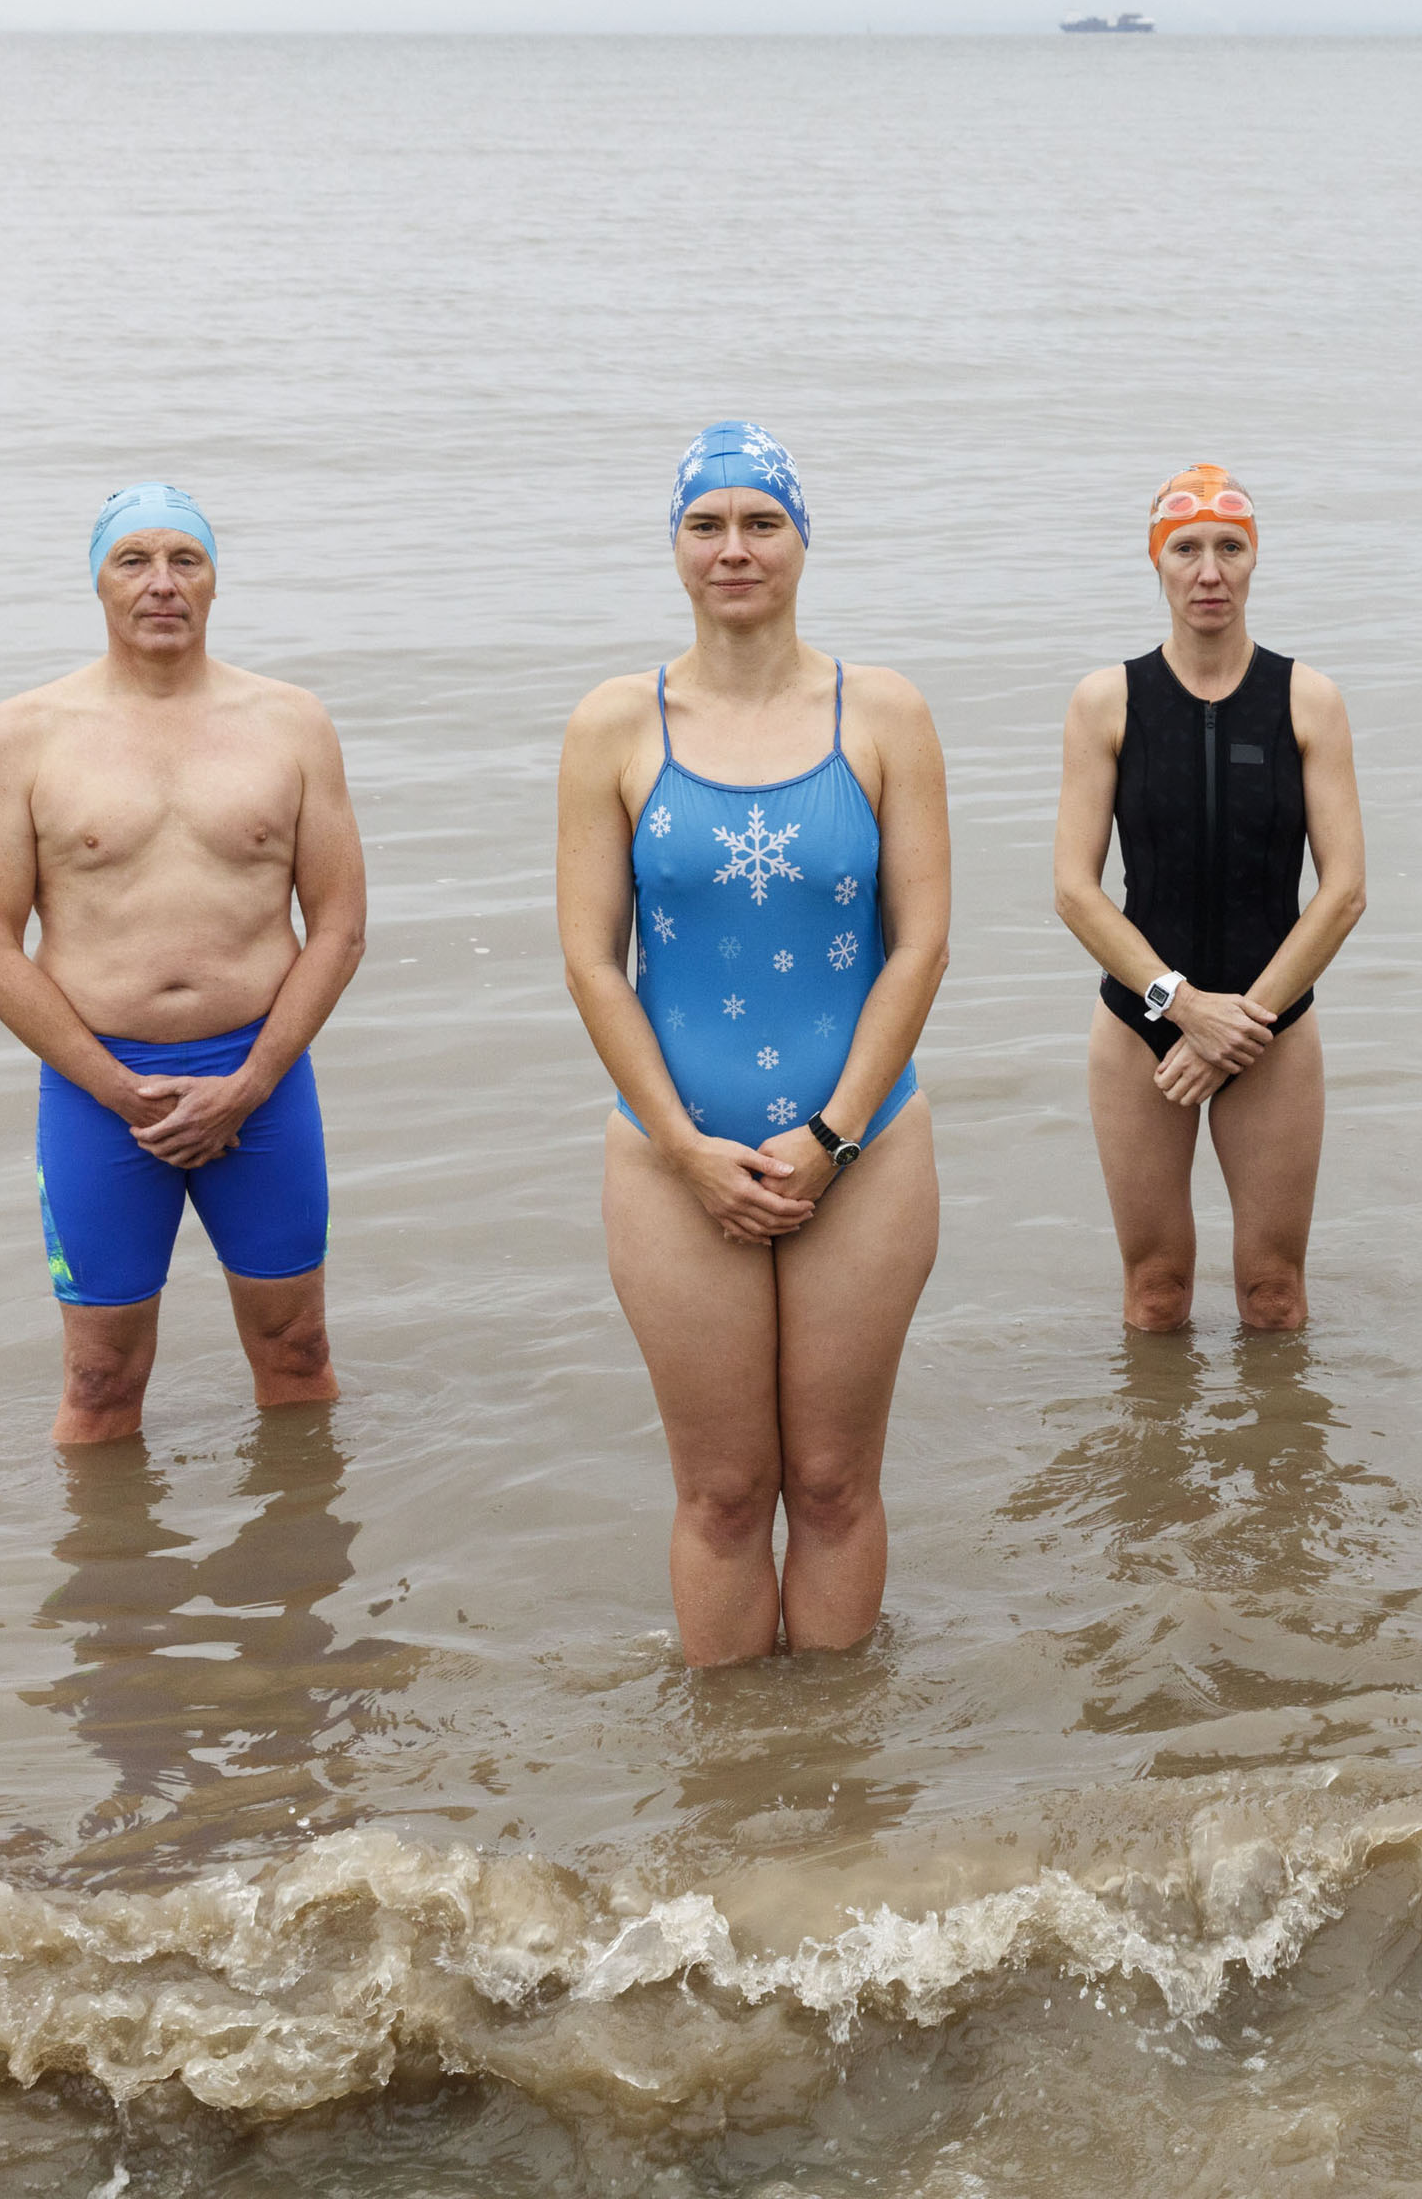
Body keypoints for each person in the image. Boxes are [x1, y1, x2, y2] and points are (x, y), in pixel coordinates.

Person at [555, 423, 952, 1664]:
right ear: (674, 549)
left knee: (834, 1483)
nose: (735, 549)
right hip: (674, 1158)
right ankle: (732, 1802)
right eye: (707, 524)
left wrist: (833, 1137)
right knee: (723, 1494)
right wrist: (685, 1151)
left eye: (761, 521)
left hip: (866, 1150)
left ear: (801, 541)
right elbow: (591, 963)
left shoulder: (880, 712)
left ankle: (835, 1797)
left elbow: (921, 944)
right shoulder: (615, 726)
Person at [0, 487, 367, 1447]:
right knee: (100, 1380)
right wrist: (117, 1088)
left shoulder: (291, 722)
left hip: (259, 1081)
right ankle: (115, 1595)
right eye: (133, 561)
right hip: (98, 1087)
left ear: (216, 581)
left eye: (185, 560)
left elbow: (339, 927)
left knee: (298, 1352)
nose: (161, 584)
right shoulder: (24, 733)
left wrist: (250, 1079)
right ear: (97, 582)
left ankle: (301, 1580)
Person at [1049, 462, 1370, 1333]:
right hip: (1139, 1024)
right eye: (1185, 549)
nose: (1209, 571)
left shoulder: (1307, 700)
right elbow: (1076, 892)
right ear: (1156, 563)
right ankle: (1157, 1472)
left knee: (1273, 1293)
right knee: (1156, 1292)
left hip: (1272, 1026)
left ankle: (1284, 1471)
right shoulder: (1106, 702)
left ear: (1255, 560)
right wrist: (1182, 1005)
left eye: (1230, 548)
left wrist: (1241, 1022)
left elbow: (1342, 892)